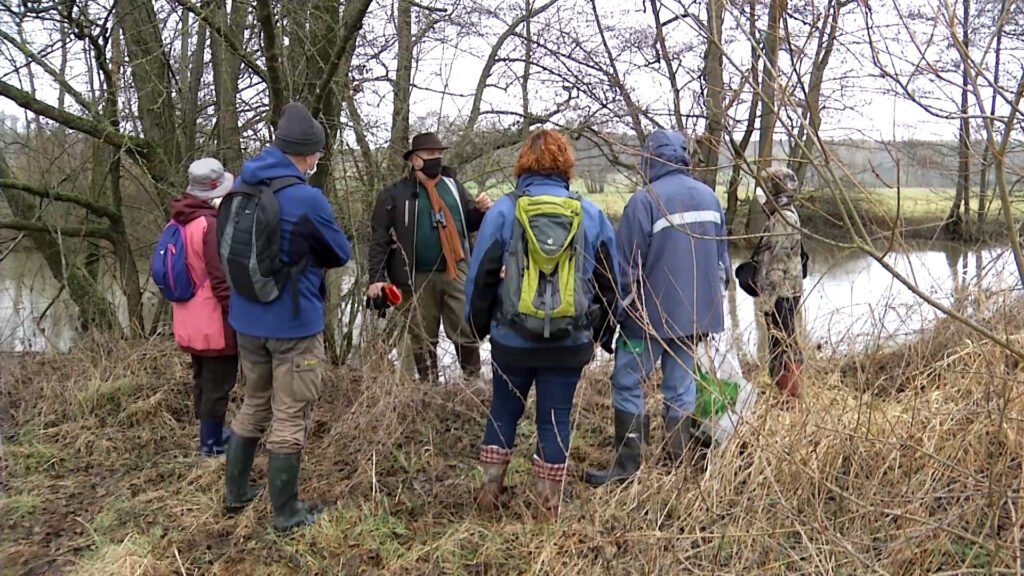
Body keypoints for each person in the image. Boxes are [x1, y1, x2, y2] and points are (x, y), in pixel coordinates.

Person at [466, 129, 619, 519]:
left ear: (523, 165)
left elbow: (480, 275)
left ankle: (490, 492)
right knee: (555, 417)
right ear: (565, 165)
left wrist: (479, 327)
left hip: (511, 339)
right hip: (570, 341)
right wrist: (604, 334)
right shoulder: (590, 213)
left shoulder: (504, 210)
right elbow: (611, 282)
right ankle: (548, 505)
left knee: (503, 409)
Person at [220, 102, 352, 532]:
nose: (318, 160)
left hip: (246, 319)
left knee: (254, 403)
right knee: (290, 414)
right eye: (317, 153)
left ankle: (236, 493)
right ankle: (287, 512)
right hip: (293, 324)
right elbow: (340, 253)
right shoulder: (306, 198)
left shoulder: (241, 186)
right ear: (309, 154)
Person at [585, 129, 730, 487]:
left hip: (646, 320)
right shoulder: (710, 198)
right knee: (681, 387)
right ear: (683, 157)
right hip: (695, 320)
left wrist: (617, 317)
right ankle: (679, 464)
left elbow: (625, 270)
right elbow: (721, 266)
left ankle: (627, 466)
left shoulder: (645, 201)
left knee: (627, 382)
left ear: (649, 158)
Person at [367, 132, 491, 383]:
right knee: (422, 336)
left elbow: (469, 223)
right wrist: (376, 278)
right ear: (415, 160)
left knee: (466, 330)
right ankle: (428, 390)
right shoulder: (394, 194)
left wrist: (480, 211)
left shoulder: (453, 187)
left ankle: (472, 386)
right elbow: (379, 239)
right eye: (430, 155)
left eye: (439, 154)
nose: (437, 159)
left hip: (455, 271)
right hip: (414, 279)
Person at [168, 158, 238, 457]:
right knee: (218, 383)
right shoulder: (208, 224)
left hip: (186, 314)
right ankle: (212, 444)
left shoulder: (177, 220)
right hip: (213, 320)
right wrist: (235, 312)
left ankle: (209, 434)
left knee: (201, 376)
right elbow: (220, 277)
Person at [752, 166, 804, 401]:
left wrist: (767, 300)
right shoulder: (782, 215)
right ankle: (784, 392)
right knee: (781, 343)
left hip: (782, 295)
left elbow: (777, 263)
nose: (761, 195)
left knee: (784, 344)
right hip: (783, 293)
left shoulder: (783, 218)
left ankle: (789, 396)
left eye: (765, 189)